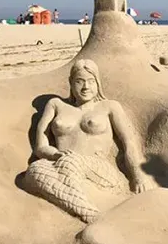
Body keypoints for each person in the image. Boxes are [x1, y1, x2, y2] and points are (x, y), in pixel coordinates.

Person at [21, 59, 154, 223]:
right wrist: (55, 154)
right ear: (71, 82)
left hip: (98, 167)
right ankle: (88, 211)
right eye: (79, 81)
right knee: (35, 169)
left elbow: (129, 143)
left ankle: (89, 215)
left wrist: (138, 176)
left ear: (98, 83)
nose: (85, 87)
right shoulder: (55, 105)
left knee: (70, 162)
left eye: (91, 81)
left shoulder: (109, 107)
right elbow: (40, 146)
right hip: (61, 161)